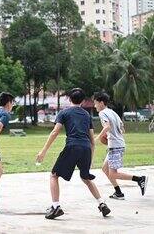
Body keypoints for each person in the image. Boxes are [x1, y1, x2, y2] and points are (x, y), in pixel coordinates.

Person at [36, 88, 111, 219]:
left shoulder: (64, 113)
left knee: (54, 175)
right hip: (86, 148)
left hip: (73, 146)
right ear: (82, 101)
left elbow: (55, 132)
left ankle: (56, 207)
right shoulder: (87, 115)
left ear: (69, 99)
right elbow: (92, 140)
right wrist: (90, 159)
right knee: (86, 177)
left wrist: (43, 151)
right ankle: (102, 203)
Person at [93, 92, 147, 200]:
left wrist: (97, 138)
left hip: (115, 146)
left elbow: (107, 127)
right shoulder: (112, 112)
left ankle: (140, 179)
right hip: (117, 144)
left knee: (112, 174)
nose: (95, 106)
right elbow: (122, 128)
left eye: (95, 103)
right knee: (105, 169)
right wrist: (112, 135)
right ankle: (118, 192)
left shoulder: (103, 113)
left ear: (101, 103)